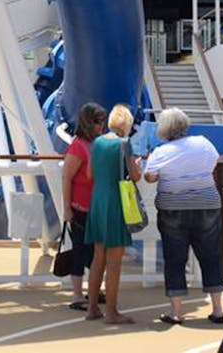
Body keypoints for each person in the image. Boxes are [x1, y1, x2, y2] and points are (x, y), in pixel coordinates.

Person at [142, 108, 223, 326]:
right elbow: (214, 163)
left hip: (173, 207)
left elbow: (149, 177)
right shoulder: (204, 143)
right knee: (211, 256)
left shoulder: (161, 152)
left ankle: (177, 312)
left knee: (175, 258)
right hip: (207, 204)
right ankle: (217, 310)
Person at [85, 103, 140, 324]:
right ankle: (111, 312)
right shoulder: (124, 144)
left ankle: (91, 308)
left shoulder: (97, 143)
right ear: (126, 124)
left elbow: (90, 174)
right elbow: (135, 176)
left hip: (97, 200)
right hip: (116, 201)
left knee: (98, 257)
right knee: (114, 261)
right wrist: (135, 165)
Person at [61, 102, 105, 310]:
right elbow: (67, 177)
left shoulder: (97, 143)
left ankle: (93, 289)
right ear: (89, 122)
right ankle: (77, 295)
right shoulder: (78, 146)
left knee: (95, 252)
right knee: (80, 251)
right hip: (80, 207)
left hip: (96, 207)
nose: (102, 125)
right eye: (98, 122)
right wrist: (67, 208)